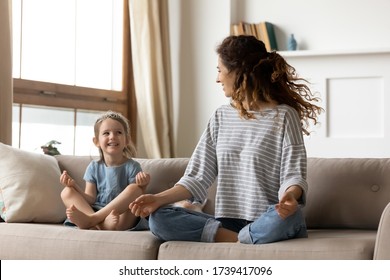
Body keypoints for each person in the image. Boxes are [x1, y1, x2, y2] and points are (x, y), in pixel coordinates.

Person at [130, 35, 323, 244]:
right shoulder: (221, 116)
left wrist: (290, 196)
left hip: (270, 217)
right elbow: (196, 177)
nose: (217, 78)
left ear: (240, 72)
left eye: (219, 70)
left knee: (289, 218)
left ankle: (243, 237)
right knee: (159, 219)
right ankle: (243, 240)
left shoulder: (285, 116)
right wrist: (157, 199)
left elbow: (293, 174)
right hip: (227, 223)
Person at [60, 111, 150, 231]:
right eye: (106, 133)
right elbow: (90, 199)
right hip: (97, 210)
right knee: (66, 192)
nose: (112, 136)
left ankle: (92, 222)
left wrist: (143, 185)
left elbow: (137, 196)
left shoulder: (132, 166)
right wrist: (74, 186)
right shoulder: (93, 167)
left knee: (135, 189)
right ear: (96, 141)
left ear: (127, 140)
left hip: (120, 214)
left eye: (118, 132)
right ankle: (99, 223)